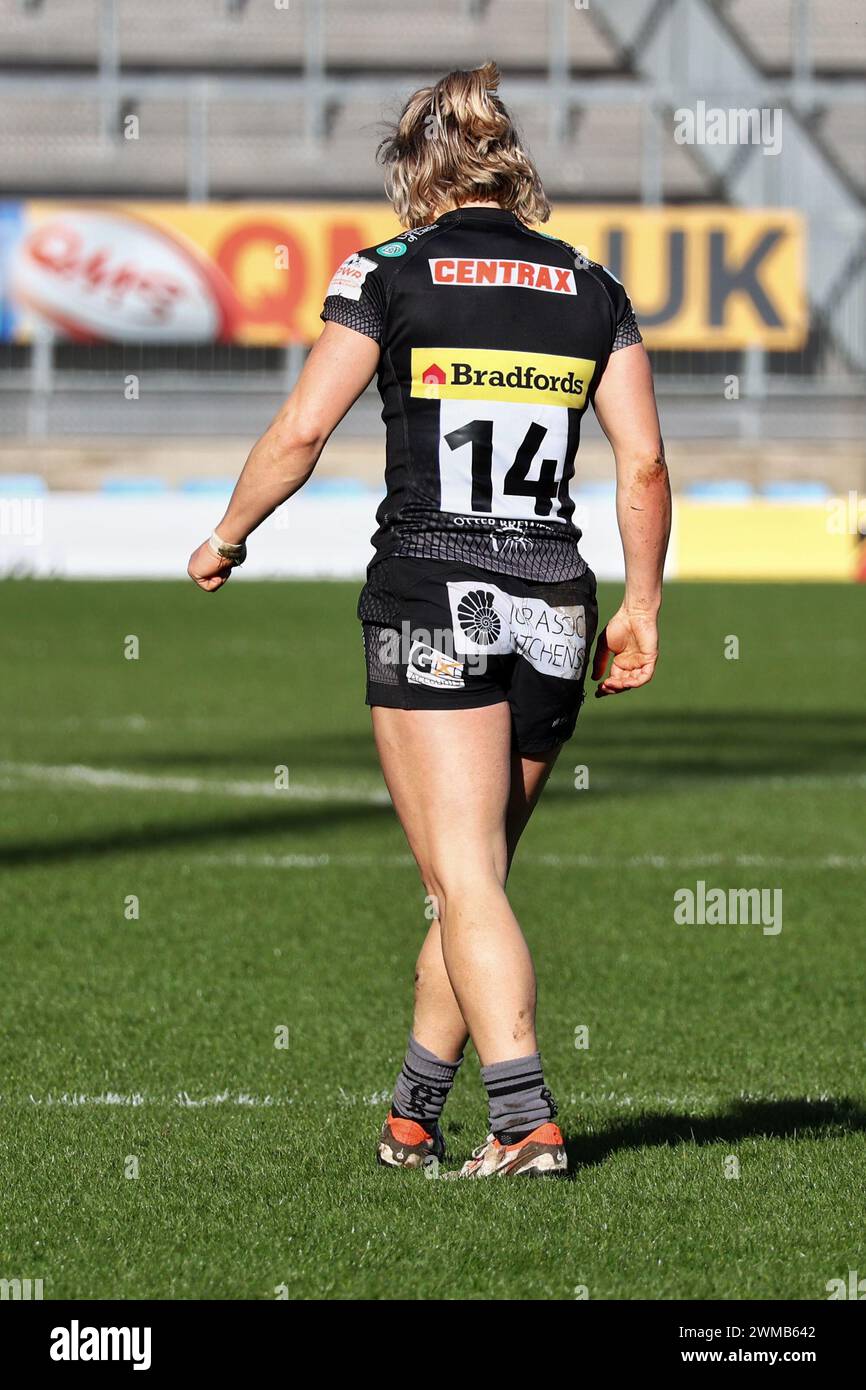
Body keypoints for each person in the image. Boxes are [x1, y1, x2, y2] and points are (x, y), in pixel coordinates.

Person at [188, 61, 670, 1178]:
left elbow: (301, 432)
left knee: (463, 880)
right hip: (555, 599)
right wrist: (641, 605)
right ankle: (411, 1117)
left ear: (418, 172)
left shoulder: (390, 271)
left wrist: (226, 535)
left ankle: (521, 1119)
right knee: (475, 880)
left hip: (432, 590)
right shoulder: (590, 284)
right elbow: (640, 462)